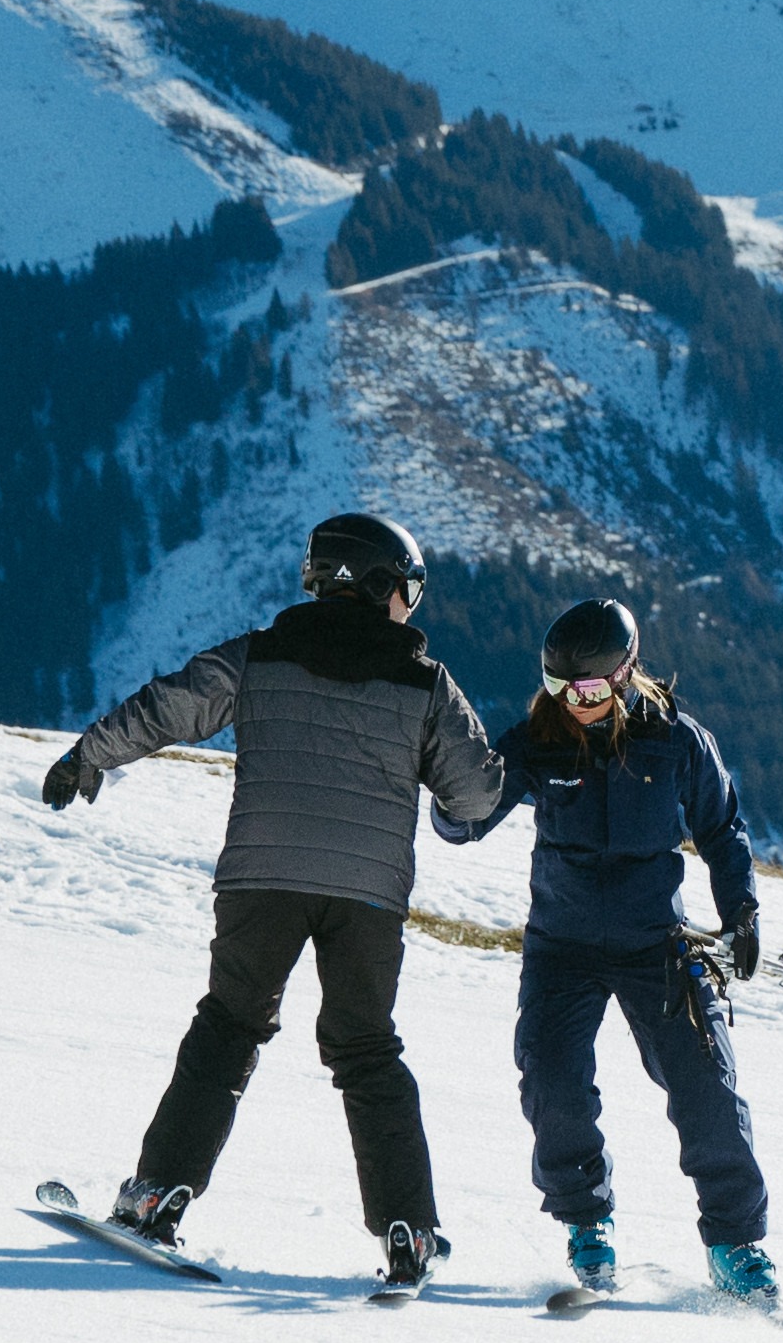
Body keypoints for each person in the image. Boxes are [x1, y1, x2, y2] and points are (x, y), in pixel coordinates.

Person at [39, 509, 495, 1292]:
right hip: (367, 899)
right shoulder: (427, 685)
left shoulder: (259, 656)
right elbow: (477, 793)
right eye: (409, 591)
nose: (410, 608)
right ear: (381, 584)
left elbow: (170, 706)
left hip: (261, 882)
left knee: (228, 1028)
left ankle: (155, 1196)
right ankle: (409, 1231)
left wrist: (91, 755)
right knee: (366, 1051)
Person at [437, 593, 779, 1304]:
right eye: (558, 686)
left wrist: (740, 914)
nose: (574, 702)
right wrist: (452, 798)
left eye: (589, 689)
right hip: (561, 945)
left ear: (626, 673)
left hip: (654, 941)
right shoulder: (538, 739)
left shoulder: (678, 741)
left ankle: (735, 1244)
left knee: (706, 1089)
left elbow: (723, 830)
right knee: (552, 1085)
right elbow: (466, 824)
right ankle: (587, 1222)